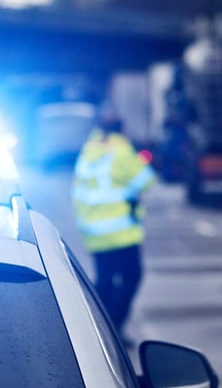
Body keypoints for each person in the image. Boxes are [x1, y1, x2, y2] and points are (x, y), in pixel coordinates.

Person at [71, 108, 156, 343]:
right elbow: (146, 180)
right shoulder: (120, 150)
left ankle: (95, 328)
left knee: (105, 281)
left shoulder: (89, 150)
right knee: (131, 277)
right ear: (121, 128)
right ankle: (113, 330)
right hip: (121, 232)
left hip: (93, 229)